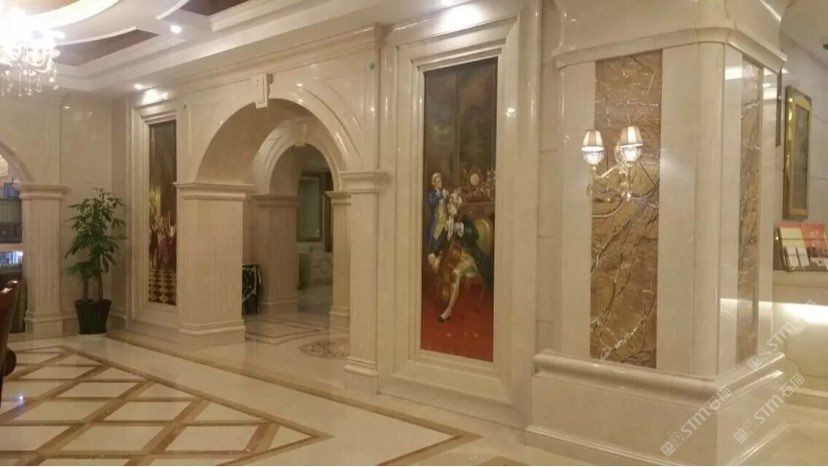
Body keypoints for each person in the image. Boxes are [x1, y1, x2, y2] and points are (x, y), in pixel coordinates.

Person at [428, 190, 493, 322]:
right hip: (456, 256)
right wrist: (434, 253)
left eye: (450, 204)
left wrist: (462, 229)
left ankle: (449, 310)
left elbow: (475, 235)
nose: (448, 206)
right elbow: (442, 240)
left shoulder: (464, 219)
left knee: (455, 273)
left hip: (469, 256)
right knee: (438, 264)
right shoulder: (449, 222)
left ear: (456, 205)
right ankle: (445, 295)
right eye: (448, 204)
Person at [426, 172, 449, 254]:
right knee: (435, 241)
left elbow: (448, 207)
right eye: (438, 182)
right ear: (434, 184)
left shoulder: (443, 193)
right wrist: (439, 195)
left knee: (444, 241)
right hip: (436, 222)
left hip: (444, 222)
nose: (440, 183)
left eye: (441, 181)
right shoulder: (432, 194)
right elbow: (431, 203)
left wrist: (446, 197)